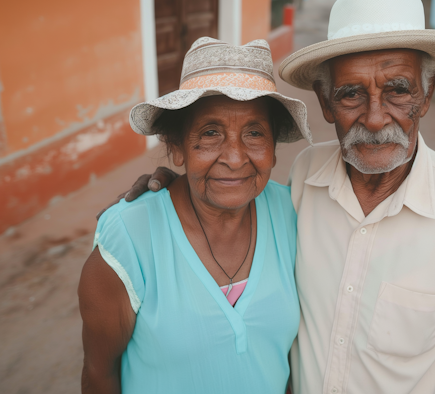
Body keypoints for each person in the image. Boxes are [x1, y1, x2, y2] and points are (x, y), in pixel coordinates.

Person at [112, 0, 435, 394]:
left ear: (426, 95)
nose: (375, 118)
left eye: (397, 89)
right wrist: (172, 190)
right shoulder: (305, 177)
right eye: (351, 94)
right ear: (325, 102)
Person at [78, 37, 312, 394]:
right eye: (210, 133)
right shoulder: (129, 237)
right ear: (177, 147)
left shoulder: (291, 213)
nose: (235, 158)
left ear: (273, 149)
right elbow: (99, 374)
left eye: (254, 133)